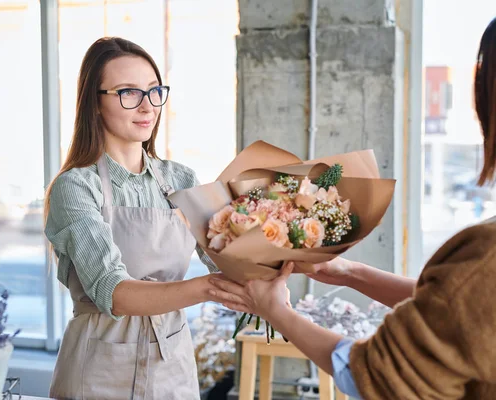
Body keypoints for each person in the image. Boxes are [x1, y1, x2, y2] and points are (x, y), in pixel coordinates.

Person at [209, 17, 496, 400]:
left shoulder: (485, 257)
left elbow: (373, 376)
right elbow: (460, 314)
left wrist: (278, 312)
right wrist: (349, 272)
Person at [43, 37, 240, 400]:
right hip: (98, 371)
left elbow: (229, 257)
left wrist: (273, 268)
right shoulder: (75, 187)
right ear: (95, 103)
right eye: (128, 93)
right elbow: (112, 292)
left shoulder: (181, 180)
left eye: (153, 91)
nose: (147, 106)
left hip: (173, 367)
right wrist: (208, 289)